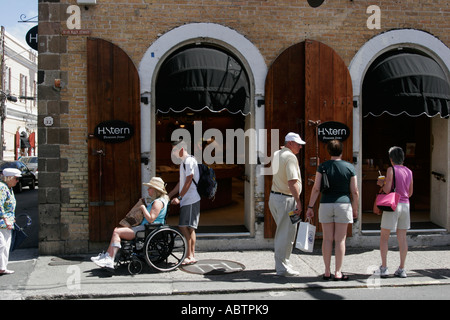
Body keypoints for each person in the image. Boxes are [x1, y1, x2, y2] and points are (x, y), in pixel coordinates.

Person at [306, 140, 359, 281]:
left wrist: (310, 206)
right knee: (340, 240)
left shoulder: (322, 166)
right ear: (341, 151)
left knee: (327, 239)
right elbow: (355, 191)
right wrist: (356, 208)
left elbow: (316, 188)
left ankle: (327, 271)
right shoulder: (349, 167)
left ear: (328, 151)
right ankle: (338, 272)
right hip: (344, 204)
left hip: (326, 204)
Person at [92, 177, 169, 269]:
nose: (148, 189)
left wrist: (143, 208)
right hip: (146, 228)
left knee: (117, 232)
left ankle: (109, 259)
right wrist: (145, 204)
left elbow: (151, 219)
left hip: (147, 229)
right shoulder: (158, 201)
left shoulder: (158, 202)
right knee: (117, 230)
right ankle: (107, 256)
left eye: (150, 188)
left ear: (155, 190)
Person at [269, 132, 306, 276]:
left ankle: (283, 262)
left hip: (276, 198)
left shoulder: (278, 153)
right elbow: (292, 182)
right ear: (290, 143)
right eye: (298, 144)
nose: (300, 147)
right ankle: (282, 267)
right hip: (286, 199)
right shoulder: (290, 157)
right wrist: (298, 201)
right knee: (286, 235)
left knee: (284, 233)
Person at [375, 146, 413, 278]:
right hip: (405, 205)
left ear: (391, 159)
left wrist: (381, 183)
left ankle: (384, 267)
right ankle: (402, 268)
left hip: (393, 205)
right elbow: (410, 192)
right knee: (402, 238)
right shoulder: (409, 171)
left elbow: (386, 190)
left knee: (384, 237)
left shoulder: (391, 170)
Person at [169, 139, 201, 265]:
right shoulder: (183, 162)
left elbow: (189, 180)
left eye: (174, 150)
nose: (173, 153)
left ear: (181, 149)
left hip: (191, 198)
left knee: (186, 227)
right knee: (189, 227)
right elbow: (181, 182)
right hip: (187, 200)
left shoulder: (189, 161)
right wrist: (171, 194)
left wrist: (180, 197)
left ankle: (190, 256)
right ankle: (190, 255)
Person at [0, 168, 22, 275]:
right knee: (1, 244)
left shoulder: (9, 188)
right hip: (2, 223)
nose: (17, 181)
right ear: (9, 178)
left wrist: (11, 218)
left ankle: (2, 267)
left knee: (6, 244)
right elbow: (0, 206)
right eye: (16, 178)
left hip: (7, 223)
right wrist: (5, 219)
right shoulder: (2, 188)